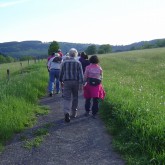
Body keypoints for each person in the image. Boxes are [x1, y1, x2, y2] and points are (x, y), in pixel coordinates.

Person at [59, 48, 84, 123]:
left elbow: (61, 72)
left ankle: (66, 112)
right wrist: (81, 83)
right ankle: (74, 113)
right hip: (75, 82)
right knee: (75, 97)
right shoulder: (78, 62)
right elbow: (81, 74)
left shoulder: (64, 63)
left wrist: (61, 80)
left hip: (66, 82)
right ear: (76, 54)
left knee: (67, 98)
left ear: (69, 54)